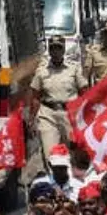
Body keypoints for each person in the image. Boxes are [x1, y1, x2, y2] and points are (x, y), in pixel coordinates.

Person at [31, 37, 87, 166]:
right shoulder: (42, 71)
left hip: (69, 114)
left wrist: (84, 116)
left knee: (73, 152)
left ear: (63, 50)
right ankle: (54, 181)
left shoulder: (74, 69)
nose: (56, 52)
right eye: (53, 48)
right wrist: (32, 120)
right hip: (48, 115)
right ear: (49, 51)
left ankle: (71, 181)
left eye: (59, 48)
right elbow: (35, 97)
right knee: (50, 154)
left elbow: (84, 92)